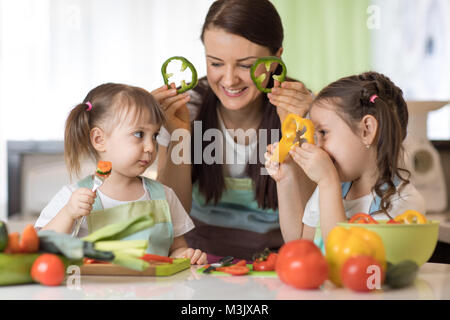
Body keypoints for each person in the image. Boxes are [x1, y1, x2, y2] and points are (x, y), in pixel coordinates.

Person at [152, 0, 315, 260]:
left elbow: (312, 225)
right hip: (198, 258)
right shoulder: (187, 107)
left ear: (276, 59)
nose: (229, 80)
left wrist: (295, 134)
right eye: (216, 63)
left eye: (246, 65)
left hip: (277, 261)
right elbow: (170, 218)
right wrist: (177, 135)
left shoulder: (302, 110)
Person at [34, 83, 207, 264]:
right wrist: (68, 213)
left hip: (156, 292)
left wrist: (185, 255)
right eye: (139, 134)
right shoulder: (72, 197)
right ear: (99, 140)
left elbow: (177, 248)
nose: (150, 147)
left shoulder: (165, 196)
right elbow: (41, 247)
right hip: (93, 291)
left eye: (154, 135)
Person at [265, 71, 426, 250]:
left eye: (323, 132)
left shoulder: (403, 202)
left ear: (367, 130)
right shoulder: (333, 187)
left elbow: (346, 257)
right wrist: (285, 179)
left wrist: (328, 182)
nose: (317, 144)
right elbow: (299, 244)